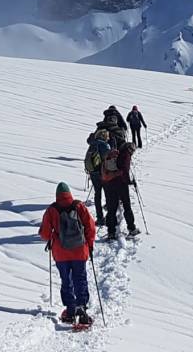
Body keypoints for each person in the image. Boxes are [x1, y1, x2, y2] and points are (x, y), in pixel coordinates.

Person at [39, 182, 96, 327]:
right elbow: (90, 226)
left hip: (61, 253)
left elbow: (45, 234)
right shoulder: (79, 206)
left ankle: (70, 311)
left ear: (57, 195)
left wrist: (51, 234)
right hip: (79, 250)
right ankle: (81, 308)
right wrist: (90, 244)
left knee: (66, 280)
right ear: (69, 194)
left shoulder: (52, 210)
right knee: (80, 278)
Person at [103, 142, 140, 240]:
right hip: (121, 185)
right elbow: (125, 171)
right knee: (127, 206)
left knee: (112, 208)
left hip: (110, 183)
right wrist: (129, 182)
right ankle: (131, 229)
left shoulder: (118, 153)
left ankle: (111, 232)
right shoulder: (125, 155)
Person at [85, 129, 111, 226]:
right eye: (107, 136)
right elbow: (108, 159)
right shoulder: (104, 145)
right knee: (108, 193)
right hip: (102, 173)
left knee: (97, 194)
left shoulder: (92, 144)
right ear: (104, 136)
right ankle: (109, 215)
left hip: (93, 172)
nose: (108, 138)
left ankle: (100, 218)